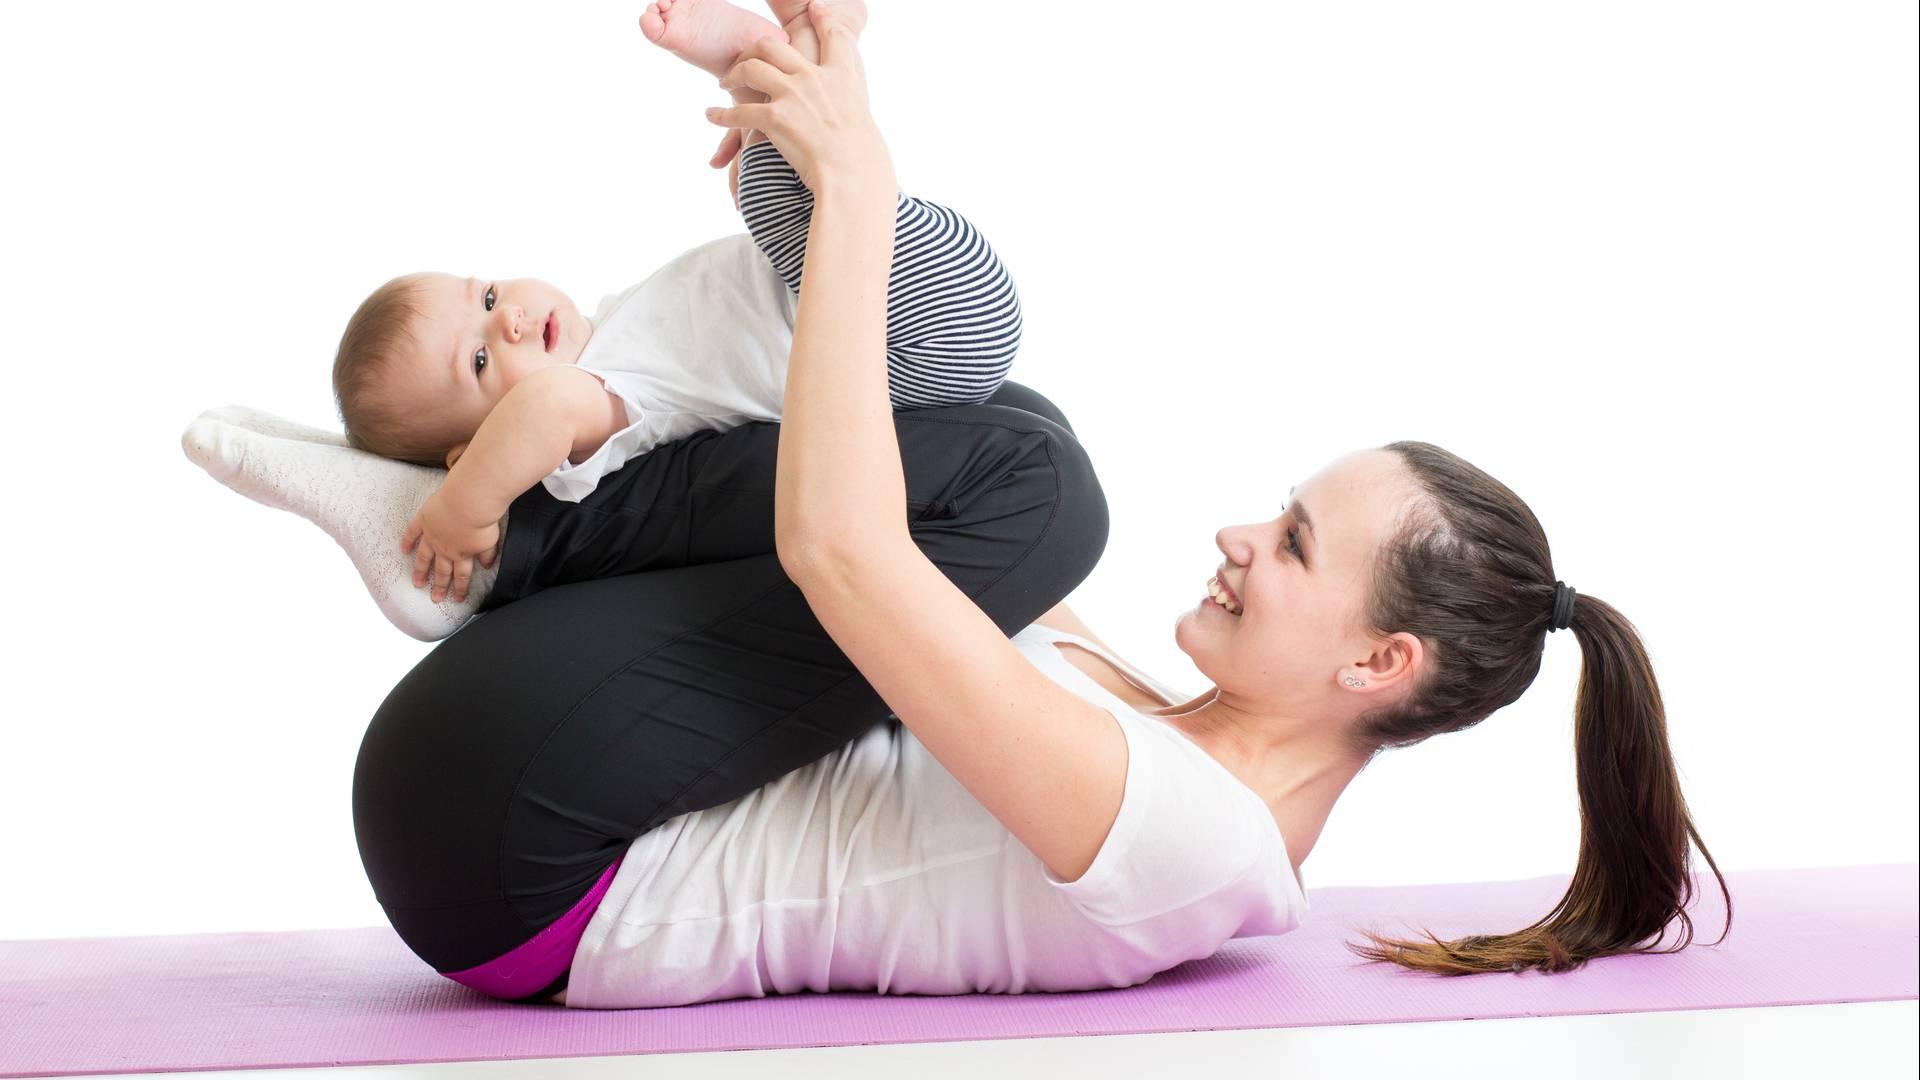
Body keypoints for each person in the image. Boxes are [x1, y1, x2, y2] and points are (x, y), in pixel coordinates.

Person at [301, 1, 1737, 1009]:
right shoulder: (1145, 710)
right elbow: (884, 452)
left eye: (1296, 544)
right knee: (1018, 441)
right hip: (538, 769)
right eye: (1276, 512)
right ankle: (507, 487)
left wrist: (860, 194)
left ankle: (511, 516)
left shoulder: (1195, 843)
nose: (1241, 538)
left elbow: (838, 548)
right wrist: (822, 124)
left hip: (522, 861)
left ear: (1380, 664)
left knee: (1035, 477)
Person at [325, 0, 1021, 615]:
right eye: (479, 360)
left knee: (767, 178)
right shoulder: (594, 413)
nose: (506, 320)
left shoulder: (615, 326)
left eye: (487, 296)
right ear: (476, 447)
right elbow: (538, 416)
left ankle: (780, 55)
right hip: (915, 344)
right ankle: (804, 37)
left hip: (919, 294)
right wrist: (463, 509)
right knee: (771, 185)